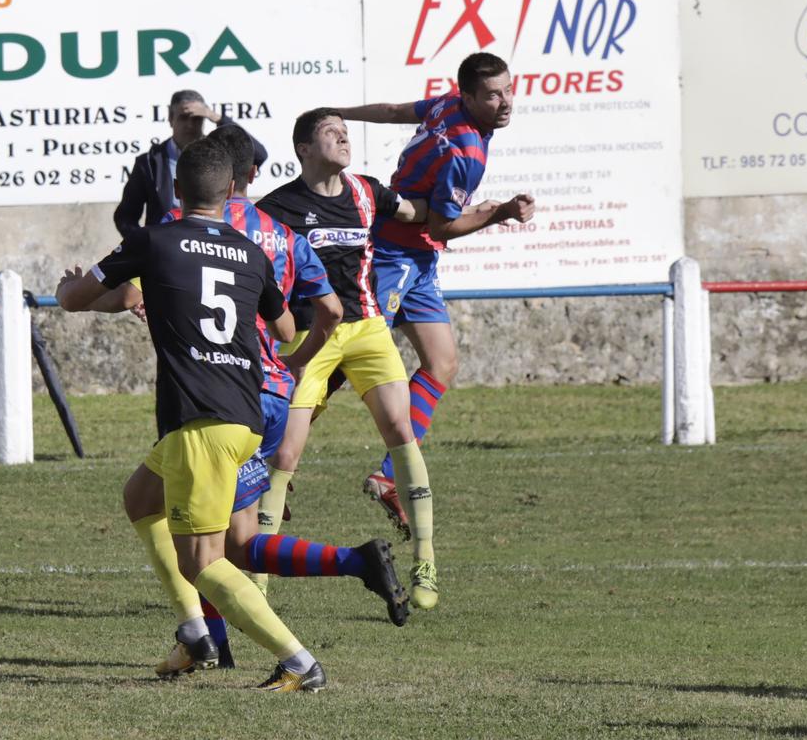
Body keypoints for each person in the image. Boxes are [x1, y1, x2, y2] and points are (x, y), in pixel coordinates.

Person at [84, 123, 407, 666]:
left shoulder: (177, 227)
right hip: (272, 396)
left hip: (214, 393)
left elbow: (133, 287)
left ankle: (235, 644)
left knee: (215, 548)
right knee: (158, 504)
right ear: (248, 175)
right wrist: (300, 364)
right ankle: (213, 633)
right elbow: (323, 312)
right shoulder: (279, 231)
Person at [57, 135, 329, 692]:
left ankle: (300, 663)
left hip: (201, 418)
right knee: (140, 499)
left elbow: (77, 299)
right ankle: (194, 632)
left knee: (204, 560)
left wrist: (68, 286)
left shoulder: (153, 240)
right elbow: (283, 330)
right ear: (231, 190)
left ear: (176, 190)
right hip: (243, 410)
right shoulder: (251, 251)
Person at [258, 108, 448, 609]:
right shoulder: (277, 209)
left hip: (366, 331)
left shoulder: (366, 191)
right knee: (284, 455)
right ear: (303, 148)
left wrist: (482, 209)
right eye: (330, 132)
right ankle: (256, 578)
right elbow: (244, 262)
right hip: (309, 337)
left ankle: (425, 560)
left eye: (346, 131)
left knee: (402, 433)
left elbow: (422, 213)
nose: (343, 137)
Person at [331, 51, 536, 500]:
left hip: (419, 261)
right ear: (469, 95)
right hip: (389, 256)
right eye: (492, 95)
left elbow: (393, 113)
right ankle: (266, 460)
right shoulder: (466, 153)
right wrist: (498, 212)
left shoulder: (449, 104)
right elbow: (441, 226)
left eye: (508, 90)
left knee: (442, 364)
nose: (505, 102)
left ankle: (389, 476)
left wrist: (339, 113)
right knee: (335, 365)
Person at [112, 90, 267, 243]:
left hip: (212, 246)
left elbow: (259, 154)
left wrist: (216, 117)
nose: (190, 125)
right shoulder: (150, 162)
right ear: (171, 119)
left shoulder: (219, 152)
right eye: (184, 118)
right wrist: (146, 244)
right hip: (166, 250)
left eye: (197, 118)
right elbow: (125, 217)